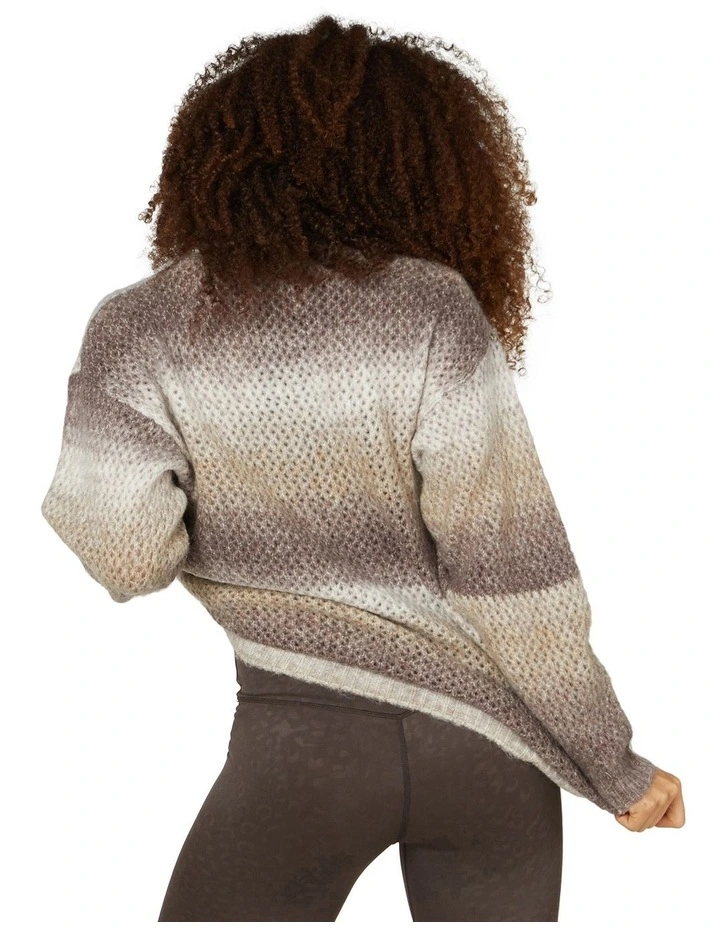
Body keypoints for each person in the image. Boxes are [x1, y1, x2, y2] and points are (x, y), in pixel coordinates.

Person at [40, 13, 685, 923]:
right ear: (425, 166)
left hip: (302, 749)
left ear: (214, 158)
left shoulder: (140, 327)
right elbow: (514, 576)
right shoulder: (433, 308)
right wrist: (615, 766)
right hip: (493, 752)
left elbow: (127, 556)